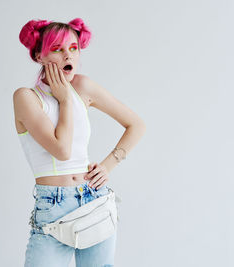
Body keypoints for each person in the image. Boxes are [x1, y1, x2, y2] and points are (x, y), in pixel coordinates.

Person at [14, 17, 146, 267]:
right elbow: (62, 150)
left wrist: (108, 166)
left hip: (93, 199)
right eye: (57, 49)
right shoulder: (26, 98)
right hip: (52, 207)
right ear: (39, 56)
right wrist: (64, 100)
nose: (68, 56)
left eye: (73, 48)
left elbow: (136, 125)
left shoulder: (83, 87)